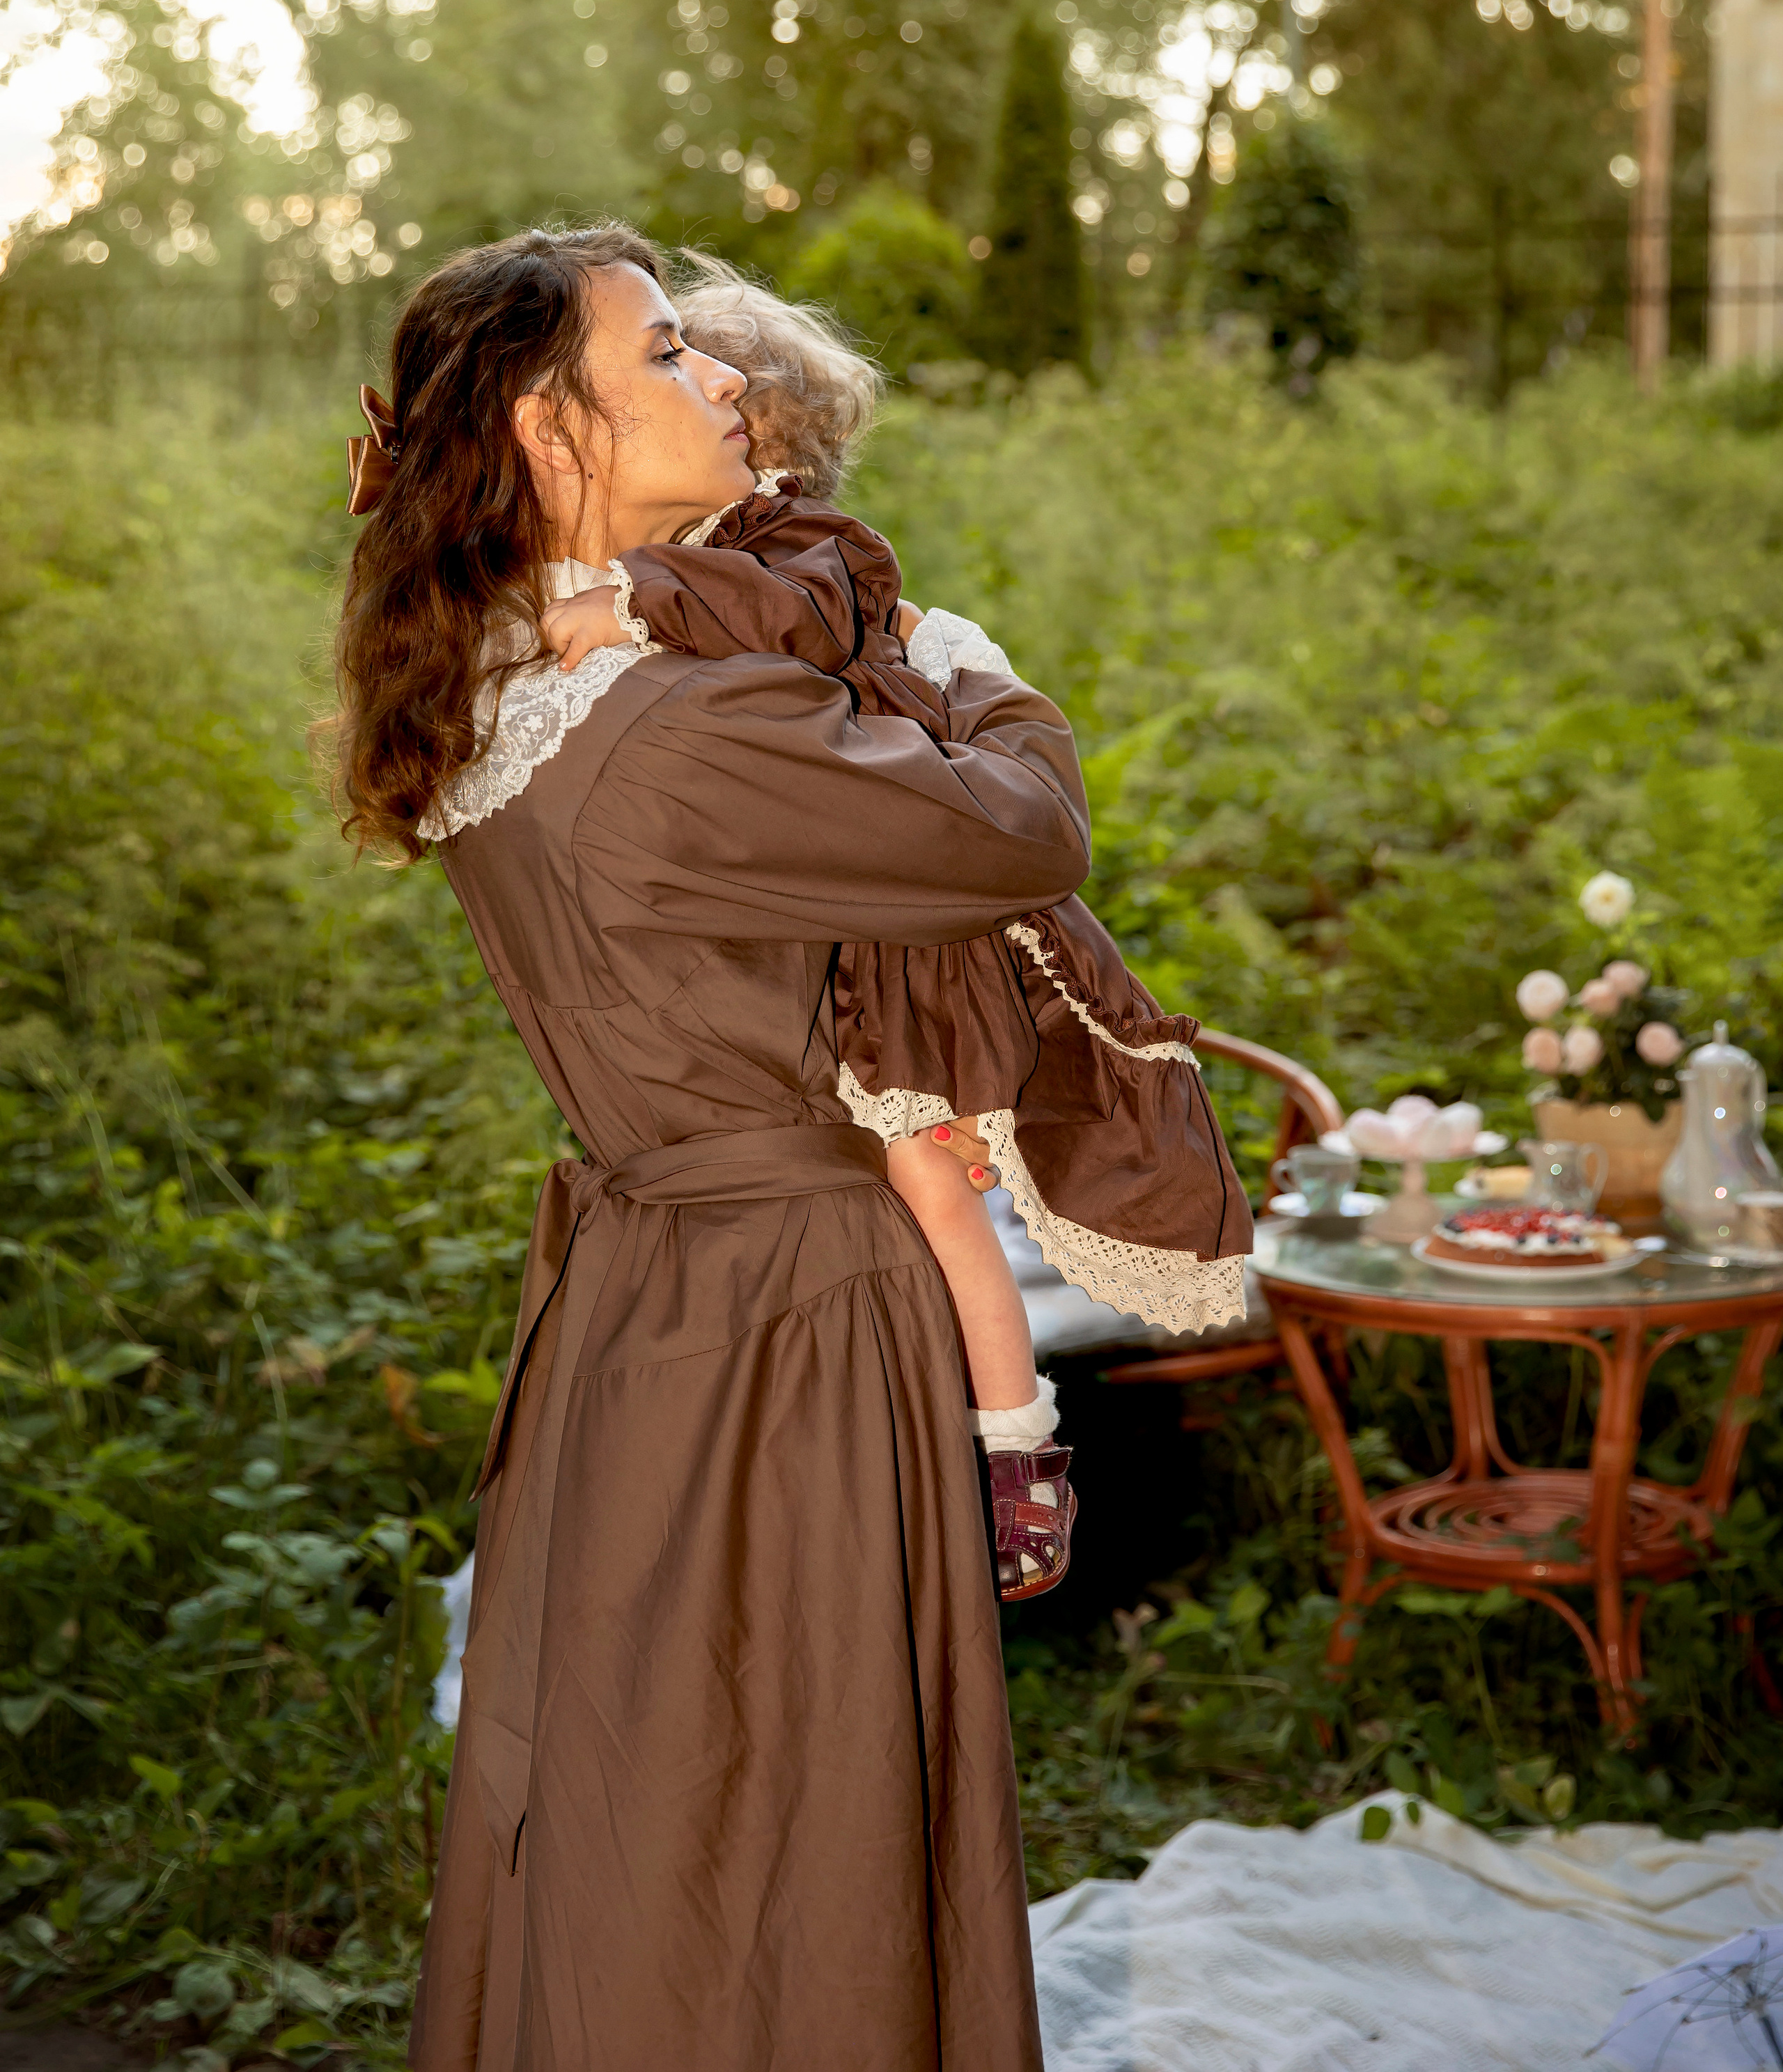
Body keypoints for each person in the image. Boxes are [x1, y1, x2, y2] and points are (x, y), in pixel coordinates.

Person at [334, 221, 1093, 2072]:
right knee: (797, 1840)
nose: (725, 376)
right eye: (669, 351)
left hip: (638, 1308)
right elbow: (1019, 831)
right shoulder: (675, 731)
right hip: (792, 1330)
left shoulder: (507, 696)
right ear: (546, 423)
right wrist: (946, 654)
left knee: (643, 1807)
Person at [534, 268, 1250, 1595]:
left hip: (908, 949)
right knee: (931, 1181)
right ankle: (1006, 1425)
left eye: (720, 388)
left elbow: (966, 807)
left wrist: (629, 602)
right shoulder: (702, 593)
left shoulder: (795, 560)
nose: (718, 404)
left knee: (936, 1184)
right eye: (680, 369)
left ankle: (1018, 1440)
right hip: (851, 959)